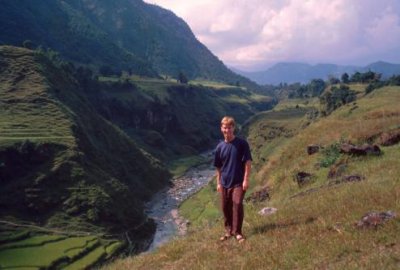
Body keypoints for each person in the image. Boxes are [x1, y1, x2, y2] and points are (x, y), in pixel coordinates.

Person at [213, 116, 252, 243]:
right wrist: (218, 183)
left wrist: (246, 180)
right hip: (224, 183)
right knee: (225, 207)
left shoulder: (242, 144)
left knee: (237, 204)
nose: (227, 130)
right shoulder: (219, 147)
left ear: (233, 128)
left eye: (229, 128)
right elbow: (218, 167)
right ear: (221, 128)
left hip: (238, 182)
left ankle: (238, 233)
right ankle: (228, 231)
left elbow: (247, 162)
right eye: (225, 128)